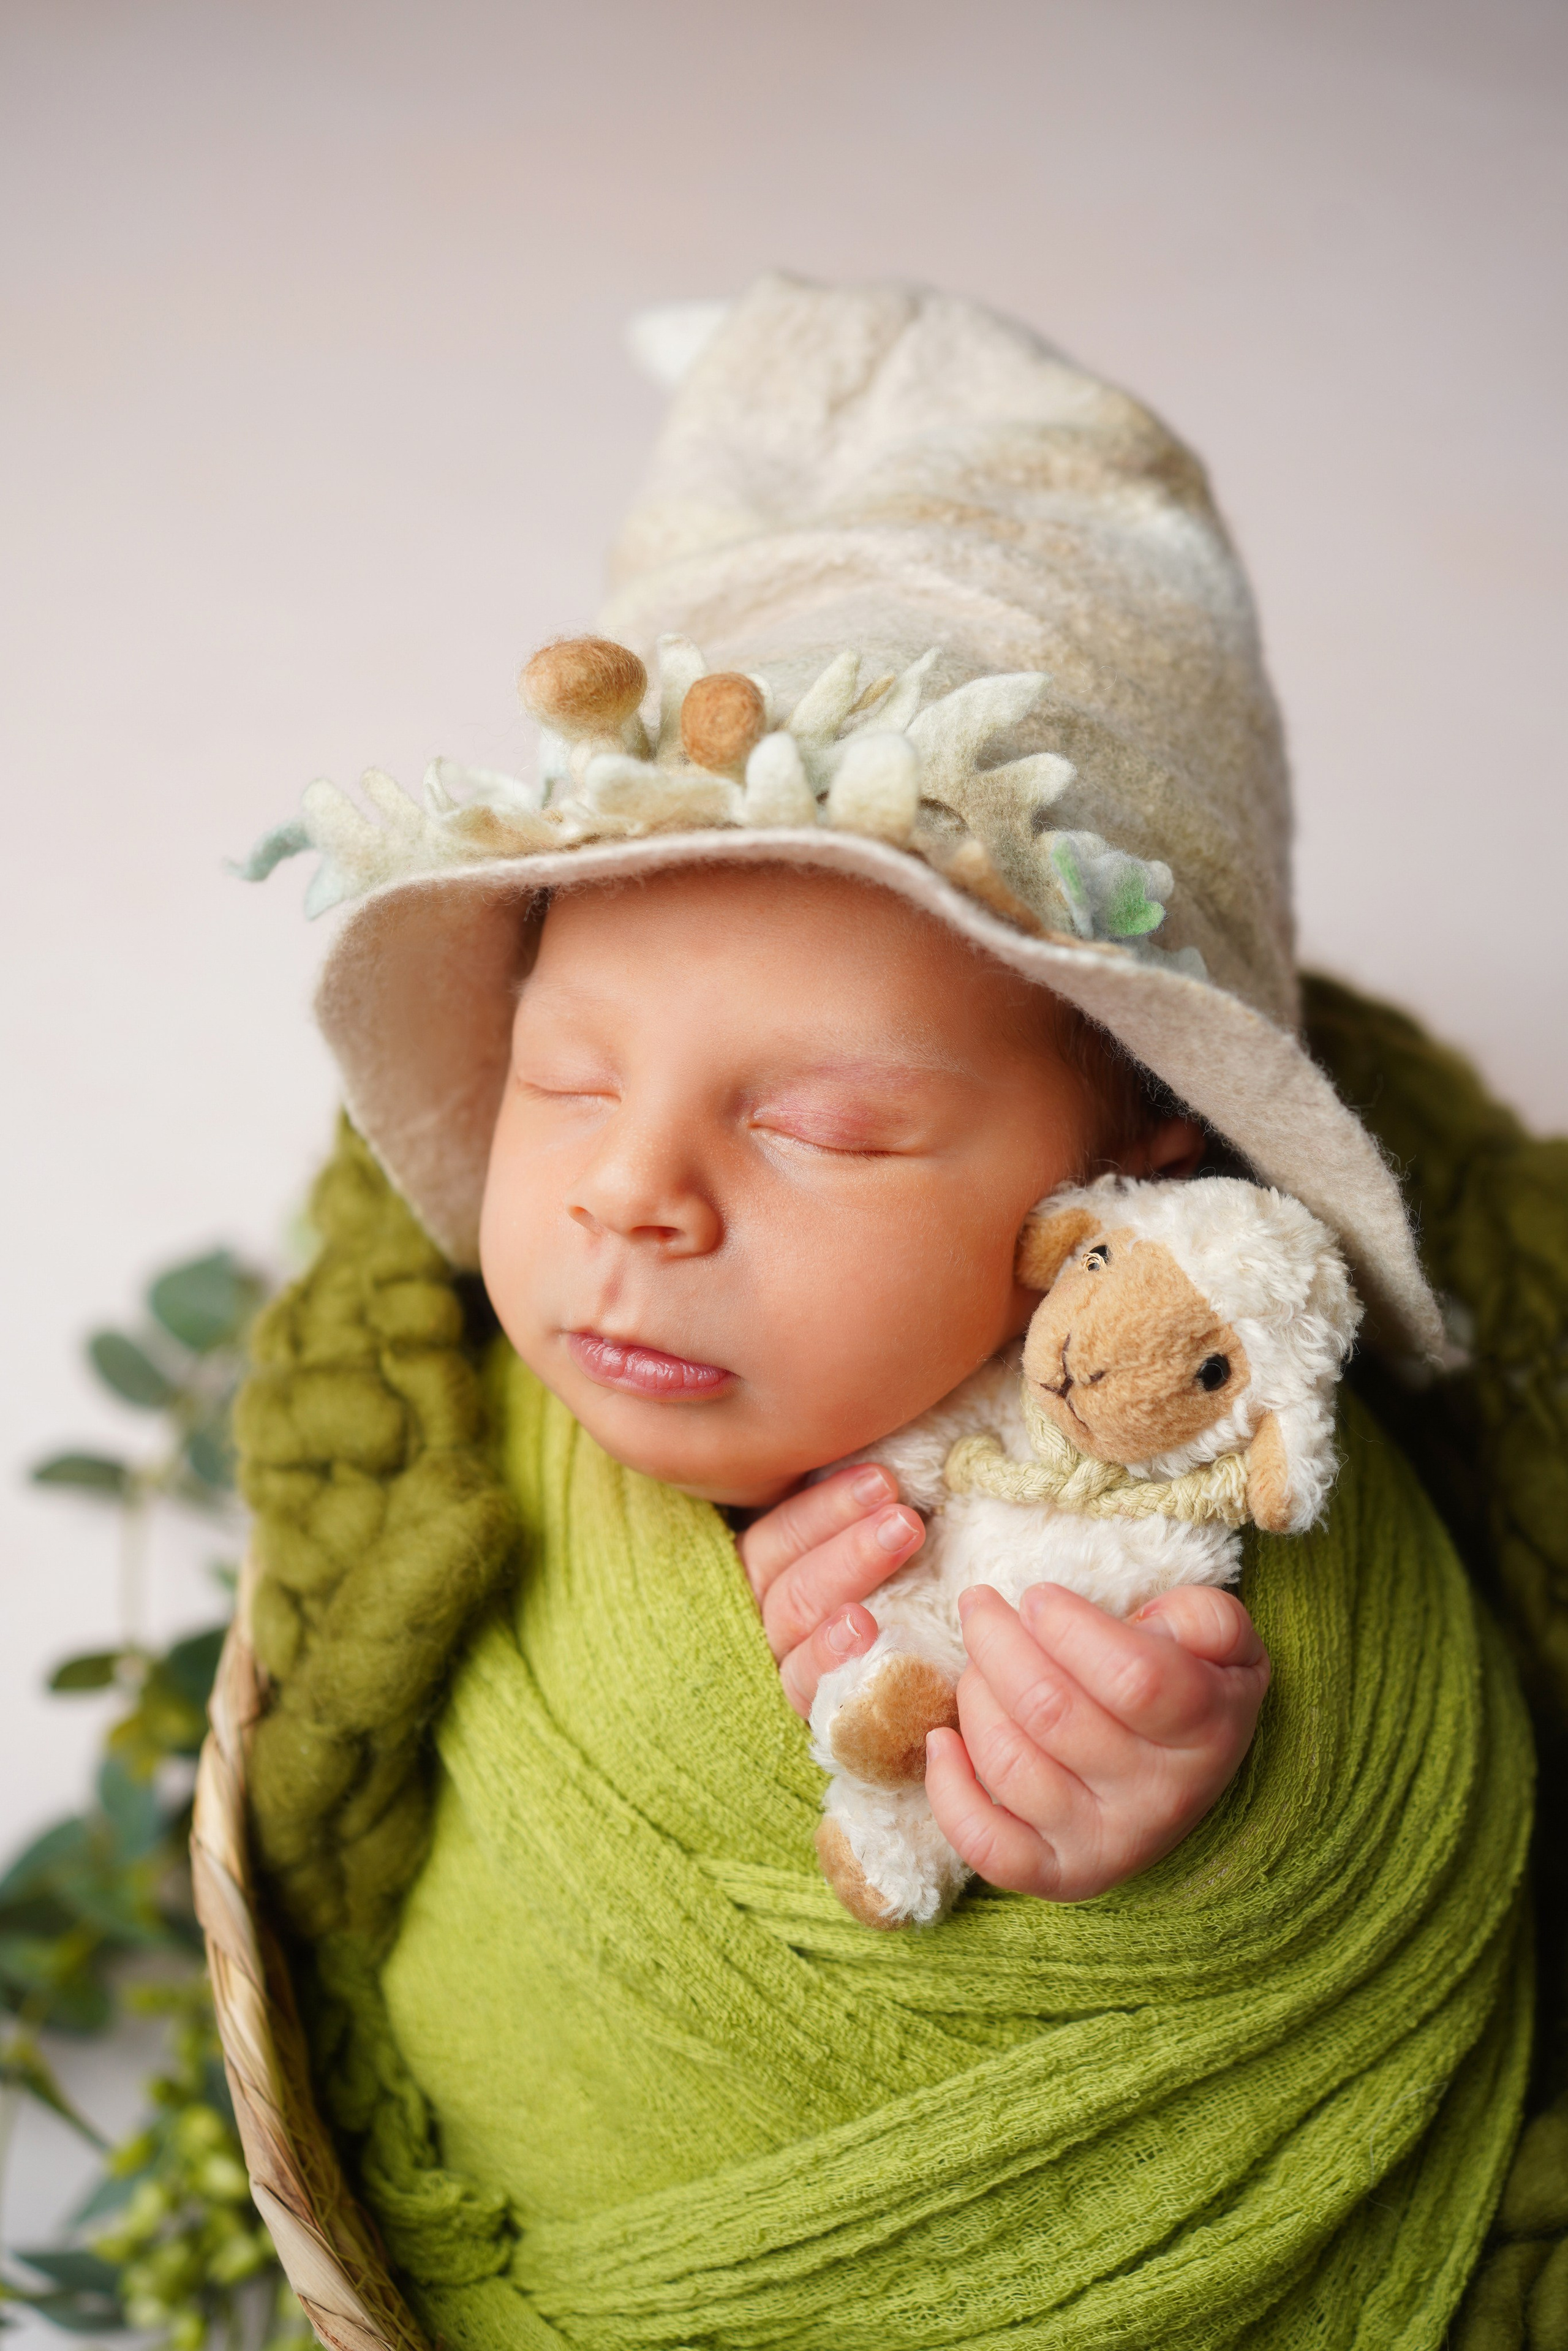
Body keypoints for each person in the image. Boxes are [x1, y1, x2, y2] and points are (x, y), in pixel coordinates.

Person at [226, 277, 1552, 2347]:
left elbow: (1425, 1806)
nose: (626, 1193)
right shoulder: (475, 1414)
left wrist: (1189, 1813)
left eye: (826, 1128)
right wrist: (719, 1712)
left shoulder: (1210, 1421)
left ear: (1144, 1142)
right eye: (562, 1082)